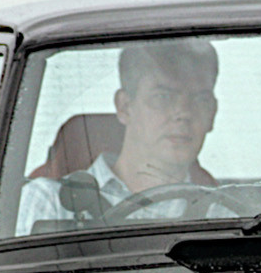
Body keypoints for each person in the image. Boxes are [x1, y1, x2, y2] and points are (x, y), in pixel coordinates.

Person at [16, 39, 219, 234]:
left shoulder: (222, 213)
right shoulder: (49, 202)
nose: (184, 113)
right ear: (125, 107)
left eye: (201, 100)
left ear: (212, 113)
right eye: (162, 97)